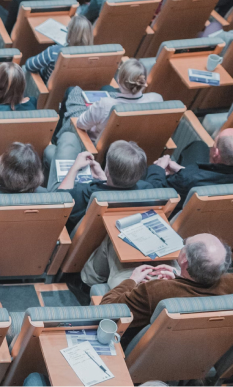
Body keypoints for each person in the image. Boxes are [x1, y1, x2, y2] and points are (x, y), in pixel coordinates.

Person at [98, 233, 233, 331]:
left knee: (112, 239)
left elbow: (106, 310)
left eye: (184, 244)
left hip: (132, 335)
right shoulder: (230, 283)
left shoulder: (153, 291)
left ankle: (85, 283)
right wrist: (179, 278)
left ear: (184, 260)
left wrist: (132, 280)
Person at [53, 140, 157, 232]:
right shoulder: (147, 191)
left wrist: (75, 167)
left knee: (67, 138)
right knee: (50, 151)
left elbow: (59, 200)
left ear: (107, 169)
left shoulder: (86, 194)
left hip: (67, 225)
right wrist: (104, 179)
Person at [73, 59, 162, 142]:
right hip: (136, 145)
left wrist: (93, 110)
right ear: (144, 81)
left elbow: (80, 124)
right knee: (107, 88)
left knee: (73, 91)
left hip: (102, 146)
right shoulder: (157, 99)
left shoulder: (104, 104)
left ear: (118, 80)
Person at [148, 128, 233, 214]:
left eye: (214, 144)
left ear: (216, 153)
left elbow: (154, 192)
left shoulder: (187, 178)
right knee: (199, 146)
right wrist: (181, 170)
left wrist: (158, 168)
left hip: (177, 212)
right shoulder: (189, 176)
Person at [24, 14, 92, 84]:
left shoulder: (54, 52)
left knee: (23, 69)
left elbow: (29, 65)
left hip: (45, 88)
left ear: (70, 34)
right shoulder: (94, 56)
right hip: (73, 90)